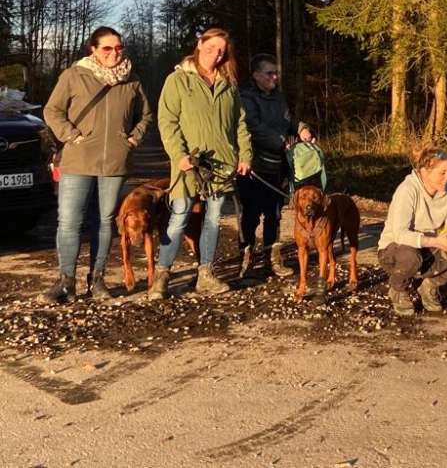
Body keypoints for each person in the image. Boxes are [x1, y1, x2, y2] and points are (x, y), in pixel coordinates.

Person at [39, 27, 152, 303]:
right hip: (78, 160)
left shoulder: (132, 80)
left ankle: (97, 280)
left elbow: (146, 115)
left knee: (103, 222)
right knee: (69, 222)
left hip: (114, 163)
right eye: (107, 48)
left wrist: (132, 140)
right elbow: (52, 111)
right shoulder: (74, 75)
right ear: (93, 49)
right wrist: (71, 135)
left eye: (119, 48)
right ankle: (65, 282)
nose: (115, 53)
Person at [151, 28, 252, 300]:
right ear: (199, 44)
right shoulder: (178, 80)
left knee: (212, 219)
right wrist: (178, 155)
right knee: (179, 217)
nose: (216, 54)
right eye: (211, 48)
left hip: (221, 165)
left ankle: (205, 274)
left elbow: (240, 123)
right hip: (188, 164)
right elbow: (167, 122)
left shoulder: (228, 84)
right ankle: (161, 276)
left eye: (221, 51)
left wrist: (245, 155)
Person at [377, 146, 447, 316]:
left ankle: (430, 286)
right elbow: (400, 234)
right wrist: (436, 241)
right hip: (395, 250)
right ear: (425, 171)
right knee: (410, 257)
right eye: (442, 172)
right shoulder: (407, 190)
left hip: (428, 249)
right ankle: (398, 288)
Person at [237, 53, 313, 278]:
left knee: (275, 213)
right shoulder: (246, 97)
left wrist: (302, 129)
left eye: (276, 72)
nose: (275, 77)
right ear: (256, 75)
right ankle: (246, 257)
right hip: (253, 166)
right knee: (251, 214)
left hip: (278, 165)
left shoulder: (279, 97)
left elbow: (288, 120)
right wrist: (281, 142)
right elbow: (254, 127)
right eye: (270, 73)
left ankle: (273, 257)